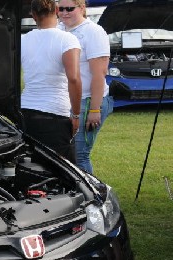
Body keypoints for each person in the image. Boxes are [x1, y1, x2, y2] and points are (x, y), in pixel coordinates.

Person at [21, 0, 82, 163]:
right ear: (56, 10)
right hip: (55, 113)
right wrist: (76, 114)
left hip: (26, 111)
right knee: (62, 169)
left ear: (33, 15)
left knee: (31, 164)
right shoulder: (68, 40)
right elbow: (74, 78)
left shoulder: (22, 40)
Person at [58, 0, 113, 174]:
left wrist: (95, 110)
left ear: (82, 8)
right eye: (61, 9)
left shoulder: (93, 32)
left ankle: (92, 196)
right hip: (67, 101)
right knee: (66, 154)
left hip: (88, 100)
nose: (64, 12)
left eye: (69, 9)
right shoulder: (59, 30)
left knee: (79, 155)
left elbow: (99, 73)